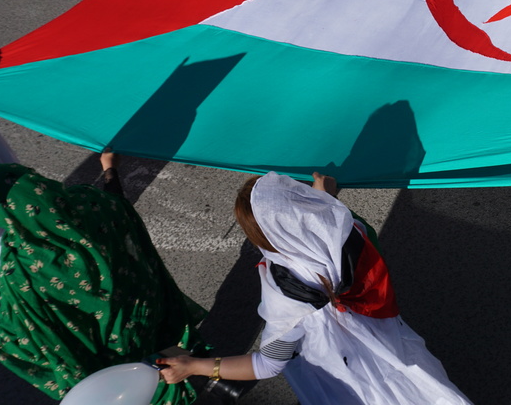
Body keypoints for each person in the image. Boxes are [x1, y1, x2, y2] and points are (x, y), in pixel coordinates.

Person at [158, 171, 472, 405]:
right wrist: (324, 198)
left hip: (347, 381)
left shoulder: (287, 297)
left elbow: (268, 364)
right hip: (392, 345)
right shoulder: (354, 233)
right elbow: (329, 221)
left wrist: (194, 366)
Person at [0, 123, 208, 404]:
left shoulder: (19, 273)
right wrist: (110, 169)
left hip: (101, 365)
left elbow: (13, 336)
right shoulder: (90, 211)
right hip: (144, 323)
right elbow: (117, 203)